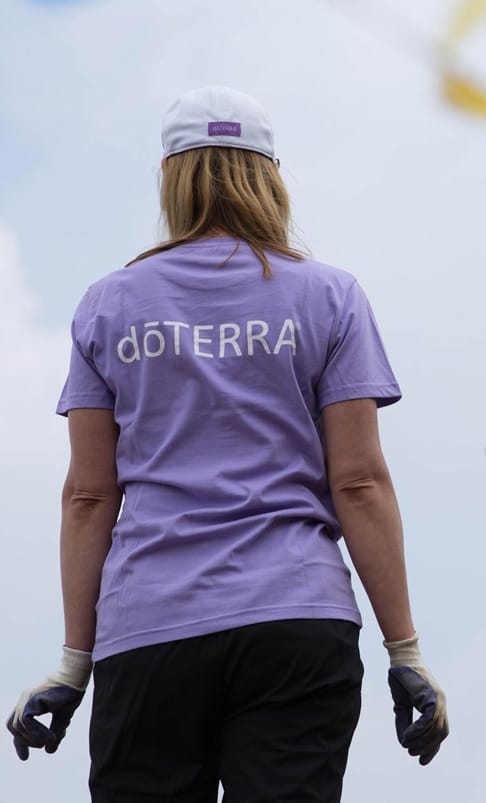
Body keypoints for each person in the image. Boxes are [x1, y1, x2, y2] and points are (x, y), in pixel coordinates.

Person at [7, 86, 448, 803]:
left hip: (149, 630)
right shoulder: (331, 297)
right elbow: (360, 481)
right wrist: (406, 653)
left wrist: (71, 665)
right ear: (270, 175)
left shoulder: (108, 305)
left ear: (170, 179)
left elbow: (89, 496)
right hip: (296, 621)